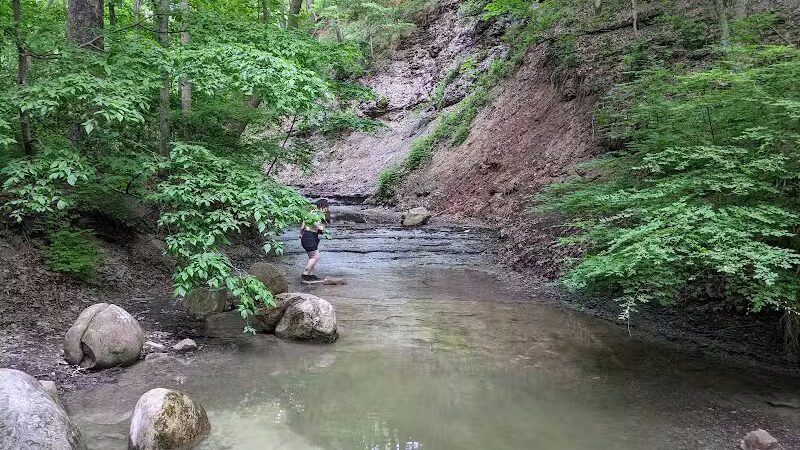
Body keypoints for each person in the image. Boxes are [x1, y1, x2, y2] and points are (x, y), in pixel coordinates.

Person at [300, 199, 329, 282]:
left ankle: (311, 275)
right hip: (309, 236)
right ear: (322, 206)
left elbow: (302, 227)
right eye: (326, 208)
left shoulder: (309, 213)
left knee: (312, 257)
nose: (326, 210)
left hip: (308, 236)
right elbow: (319, 227)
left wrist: (301, 235)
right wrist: (323, 228)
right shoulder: (315, 214)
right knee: (316, 257)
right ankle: (305, 275)